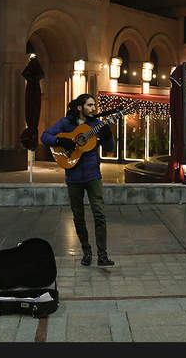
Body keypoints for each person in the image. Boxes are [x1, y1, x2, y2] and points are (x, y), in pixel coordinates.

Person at [41, 94, 116, 266]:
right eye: (90, 105)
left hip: (93, 175)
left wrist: (108, 135)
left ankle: (102, 255)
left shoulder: (97, 124)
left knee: (100, 214)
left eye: (94, 105)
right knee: (78, 216)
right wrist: (60, 140)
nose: (93, 108)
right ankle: (86, 251)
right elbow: (45, 136)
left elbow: (110, 148)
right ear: (80, 107)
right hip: (73, 176)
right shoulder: (66, 123)